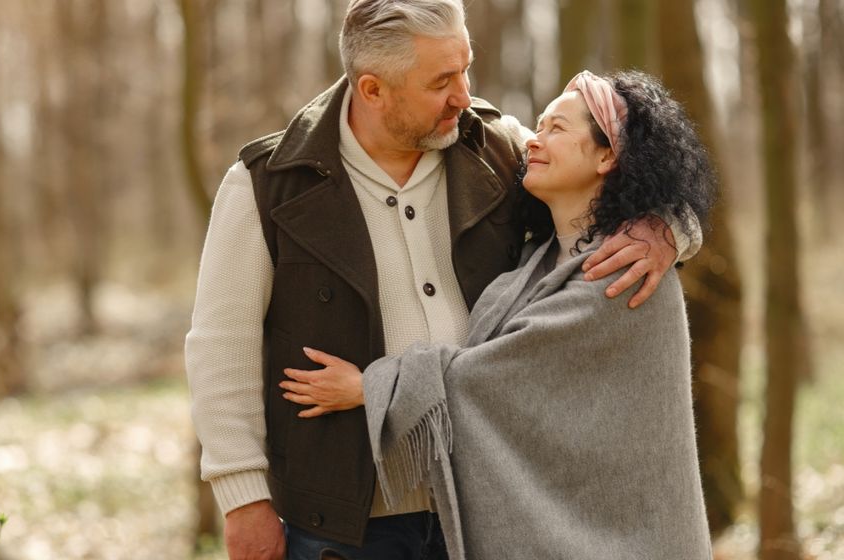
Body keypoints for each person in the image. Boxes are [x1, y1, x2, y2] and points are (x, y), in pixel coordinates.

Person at [184, 1, 700, 557]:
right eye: (441, 81)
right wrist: (243, 499)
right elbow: (222, 348)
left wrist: (669, 229)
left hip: (485, 508)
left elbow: (618, 176)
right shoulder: (267, 184)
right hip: (343, 522)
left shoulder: (497, 147)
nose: (463, 94)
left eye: (465, 68)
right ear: (373, 89)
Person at [280, 70, 715, 559]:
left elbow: (496, 376)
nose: (534, 141)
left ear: (607, 156)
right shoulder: (537, 262)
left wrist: (369, 387)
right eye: (538, 125)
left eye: (557, 128)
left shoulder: (627, 271)